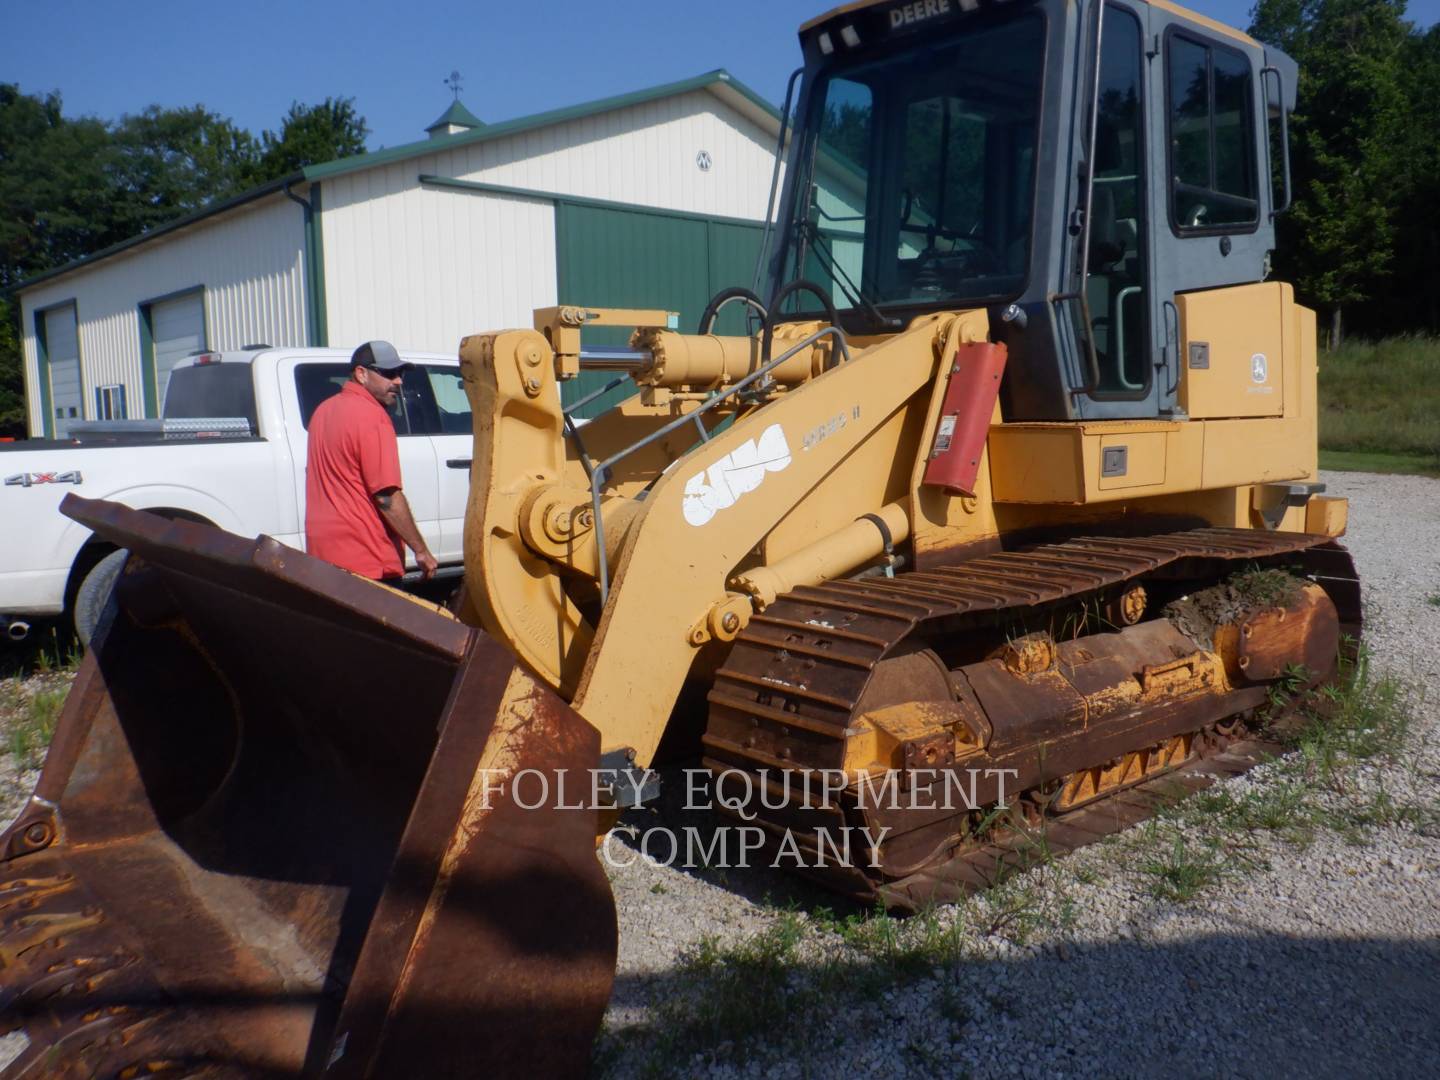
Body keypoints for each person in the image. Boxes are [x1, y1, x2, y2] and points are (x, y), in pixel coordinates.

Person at [305, 340, 438, 582]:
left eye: (400, 373)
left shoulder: (322, 411)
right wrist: (421, 551)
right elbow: (386, 497)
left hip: (324, 558)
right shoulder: (373, 417)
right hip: (367, 560)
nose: (398, 381)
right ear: (361, 374)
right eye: (389, 373)